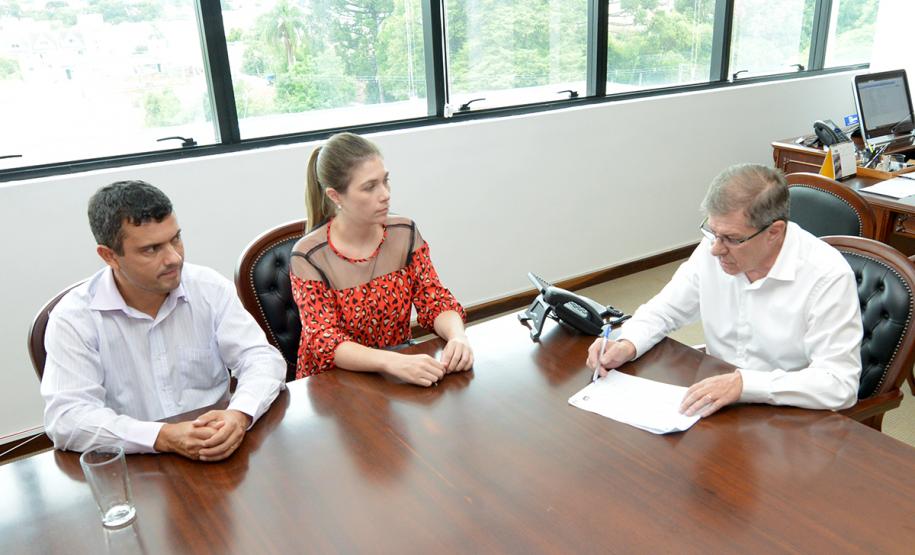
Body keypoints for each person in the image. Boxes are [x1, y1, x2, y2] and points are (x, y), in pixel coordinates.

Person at [587, 164, 863, 417]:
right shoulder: (715, 250)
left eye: (731, 239)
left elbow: (839, 383)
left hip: (787, 411)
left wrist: (745, 383)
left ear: (774, 232)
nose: (716, 249)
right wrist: (626, 344)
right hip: (716, 395)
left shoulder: (827, 276)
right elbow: (665, 310)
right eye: (712, 232)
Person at [41, 181, 286, 461]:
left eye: (176, 239)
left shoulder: (208, 287)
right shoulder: (74, 318)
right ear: (109, 256)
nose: (174, 258)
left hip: (219, 450)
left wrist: (239, 414)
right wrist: (163, 436)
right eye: (151, 249)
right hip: (134, 464)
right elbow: (67, 417)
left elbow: (261, 358)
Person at [290, 132, 472, 386]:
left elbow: (434, 299)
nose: (385, 194)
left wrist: (457, 337)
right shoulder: (309, 256)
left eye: (385, 181)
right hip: (335, 383)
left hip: (398, 370)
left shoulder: (404, 232)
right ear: (335, 196)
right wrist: (393, 362)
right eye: (370, 187)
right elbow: (326, 340)